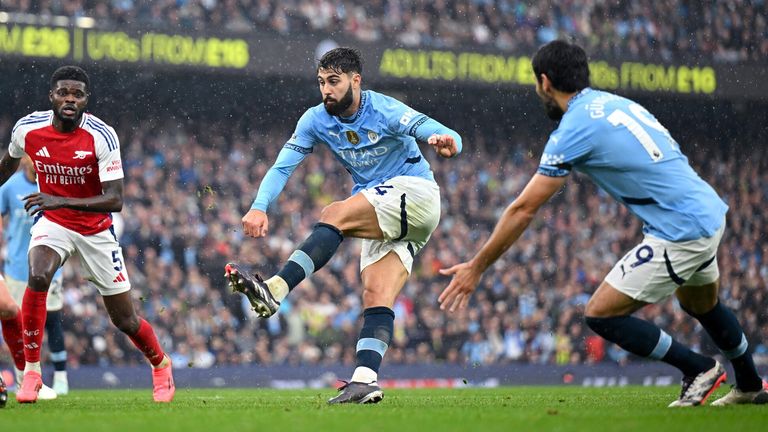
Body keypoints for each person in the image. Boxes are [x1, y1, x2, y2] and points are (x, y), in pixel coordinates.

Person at [438, 40, 767, 407]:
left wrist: (477, 266)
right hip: (706, 211)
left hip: (680, 229)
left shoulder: (573, 129)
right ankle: (751, 384)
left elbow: (523, 209)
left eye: (536, 84)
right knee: (701, 305)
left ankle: (698, 368)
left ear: (545, 82)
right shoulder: (615, 103)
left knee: (600, 313)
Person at [225, 47, 462, 404]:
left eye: (334, 81)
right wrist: (259, 206)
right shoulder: (315, 120)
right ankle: (365, 380)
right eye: (321, 82)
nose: (326, 90)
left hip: (415, 194)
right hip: (388, 210)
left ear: (356, 81)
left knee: (334, 213)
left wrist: (448, 141)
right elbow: (282, 166)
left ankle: (275, 289)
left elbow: (431, 128)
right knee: (376, 294)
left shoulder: (382, 108)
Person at [0, 65, 175, 403]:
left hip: (95, 231)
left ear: (86, 100)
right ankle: (32, 372)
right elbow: (9, 163)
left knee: (124, 319)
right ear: (52, 96)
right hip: (53, 222)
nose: (69, 99)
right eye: (63, 93)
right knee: (38, 273)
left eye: (77, 94)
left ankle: (160, 363)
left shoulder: (101, 135)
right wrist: (53, 203)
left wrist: (58, 197)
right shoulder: (28, 129)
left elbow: (116, 199)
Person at [1, 155, 70, 396]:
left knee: (51, 319)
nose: (34, 159)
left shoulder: (54, 184)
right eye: (29, 154)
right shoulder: (10, 186)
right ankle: (26, 376)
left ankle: (60, 377)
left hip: (50, 266)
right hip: (17, 268)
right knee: (17, 320)